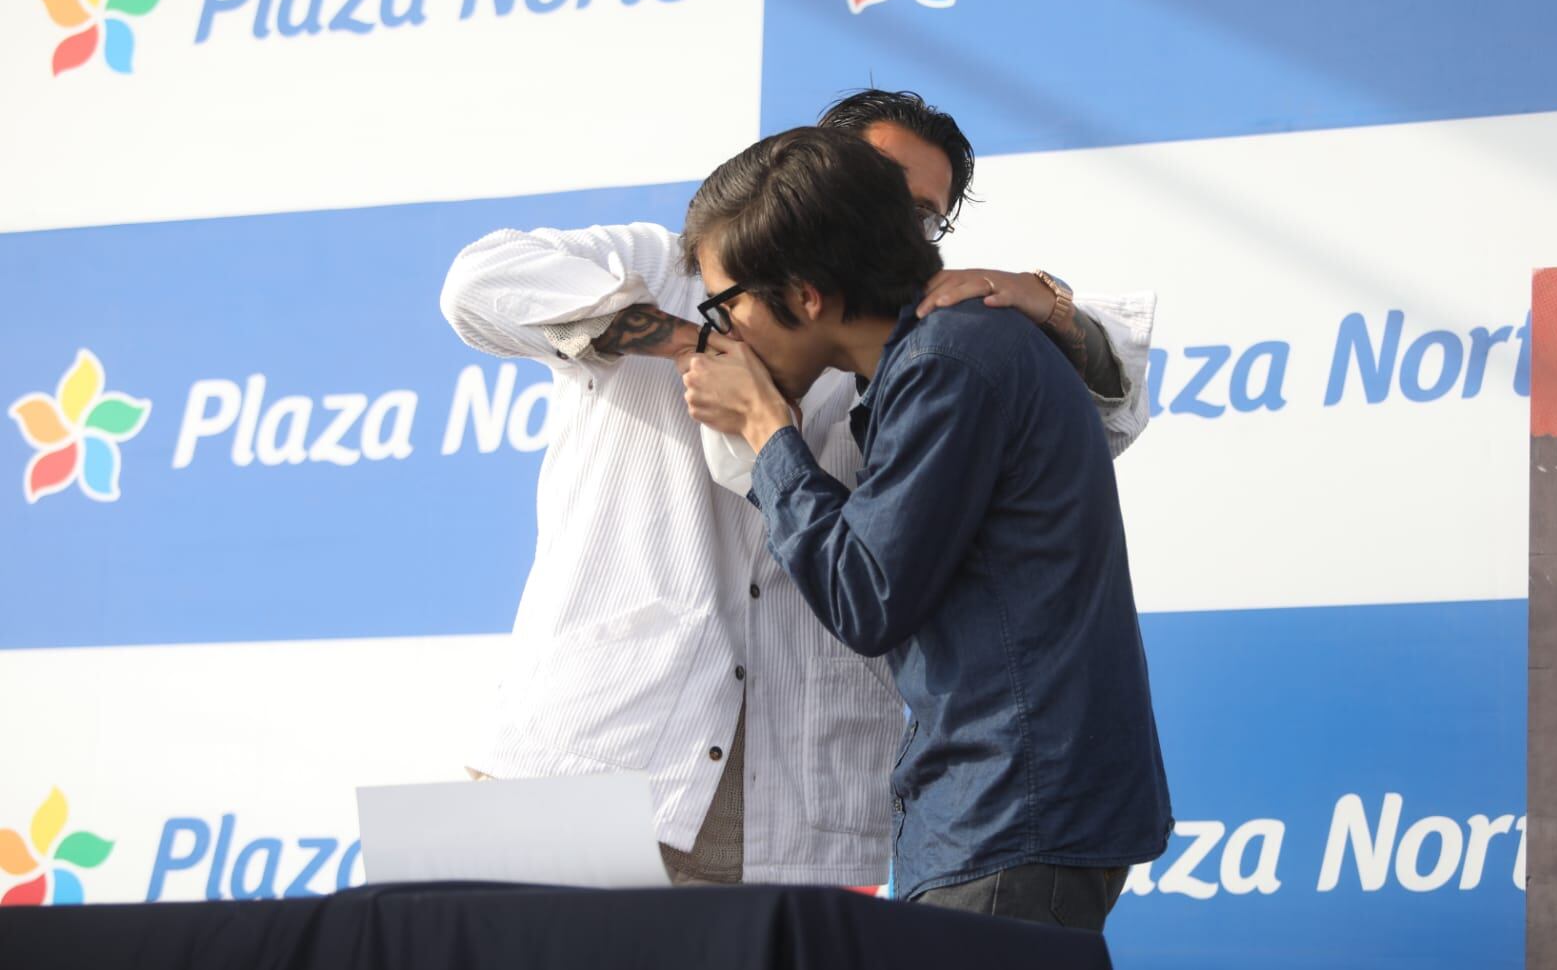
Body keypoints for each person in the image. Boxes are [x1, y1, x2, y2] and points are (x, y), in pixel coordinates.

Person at [438, 91, 1156, 887]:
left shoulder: (930, 339)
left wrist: (1051, 303)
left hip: (798, 794)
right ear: (810, 171)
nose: (899, 223)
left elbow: (1107, 413)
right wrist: (697, 342)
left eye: (925, 214)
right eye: (881, 186)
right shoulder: (666, 265)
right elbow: (478, 282)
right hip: (586, 749)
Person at [678, 126, 1171, 929]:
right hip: (999, 804)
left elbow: (867, 597)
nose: (725, 335)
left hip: (1010, 805)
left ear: (806, 295)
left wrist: (768, 428)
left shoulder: (948, 361)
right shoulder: (946, 351)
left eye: (727, 303)